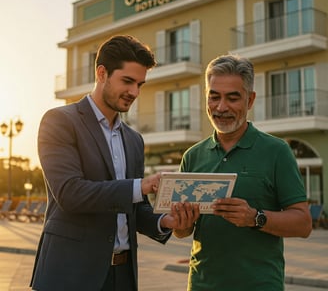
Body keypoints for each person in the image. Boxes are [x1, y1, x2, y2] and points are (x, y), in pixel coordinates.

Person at [30, 35, 199, 291]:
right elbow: (69, 193)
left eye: (140, 84)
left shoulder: (134, 140)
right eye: (128, 81)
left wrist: (166, 221)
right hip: (69, 276)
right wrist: (140, 186)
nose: (134, 92)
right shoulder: (59, 121)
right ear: (102, 73)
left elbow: (135, 208)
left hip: (123, 276)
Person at [173, 54, 312, 291]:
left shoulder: (277, 151)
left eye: (232, 98)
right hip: (201, 285)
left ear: (250, 100)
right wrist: (182, 222)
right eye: (214, 96)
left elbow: (304, 223)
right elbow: (182, 231)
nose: (221, 107)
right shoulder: (192, 156)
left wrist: (254, 217)